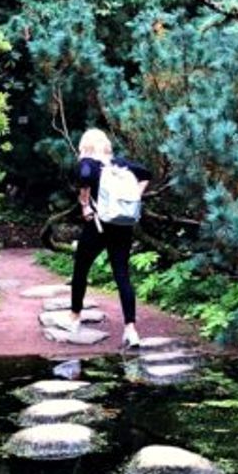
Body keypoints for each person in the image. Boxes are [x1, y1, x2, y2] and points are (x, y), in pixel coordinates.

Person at [68, 128, 150, 347]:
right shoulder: (121, 164)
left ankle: (75, 317)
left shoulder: (88, 163)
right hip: (122, 225)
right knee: (122, 274)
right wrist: (134, 198)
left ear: (85, 145)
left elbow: (85, 176)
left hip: (98, 225)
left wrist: (85, 204)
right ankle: (131, 329)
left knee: (81, 268)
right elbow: (146, 174)